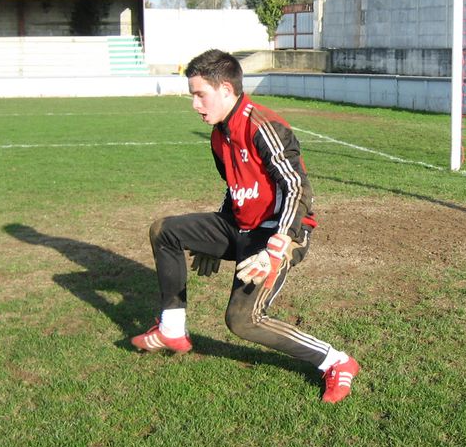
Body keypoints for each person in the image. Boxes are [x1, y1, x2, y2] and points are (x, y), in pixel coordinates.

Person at [131, 49, 360, 403]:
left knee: (243, 320)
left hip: (280, 233)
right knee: (165, 231)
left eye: (199, 94)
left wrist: (277, 246)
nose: (194, 104)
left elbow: (296, 188)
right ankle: (172, 330)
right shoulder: (218, 135)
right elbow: (235, 189)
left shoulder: (262, 126)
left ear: (226, 89)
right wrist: (213, 240)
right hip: (240, 227)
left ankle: (337, 362)